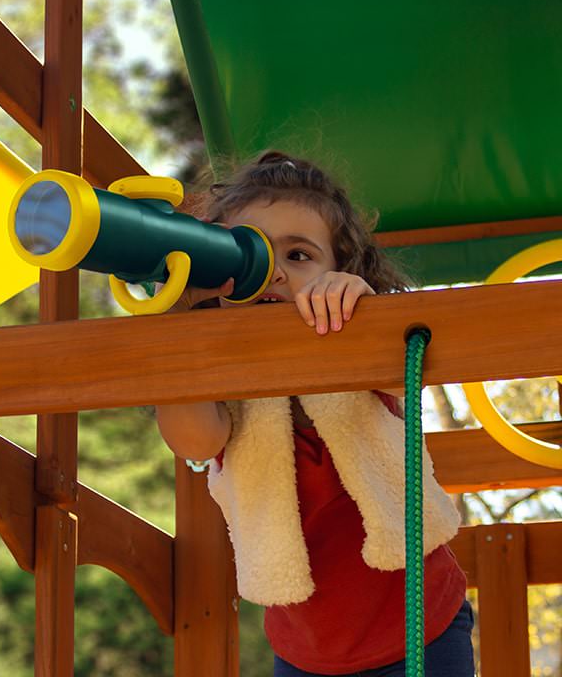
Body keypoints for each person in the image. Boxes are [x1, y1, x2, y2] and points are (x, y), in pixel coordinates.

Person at [155, 151, 474, 677]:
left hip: (421, 630)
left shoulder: (354, 348)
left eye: (300, 256)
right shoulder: (225, 384)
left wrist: (363, 306)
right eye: (247, 253)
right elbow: (191, 439)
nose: (274, 272)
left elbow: (400, 372)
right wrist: (179, 322)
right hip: (306, 655)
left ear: (340, 270)